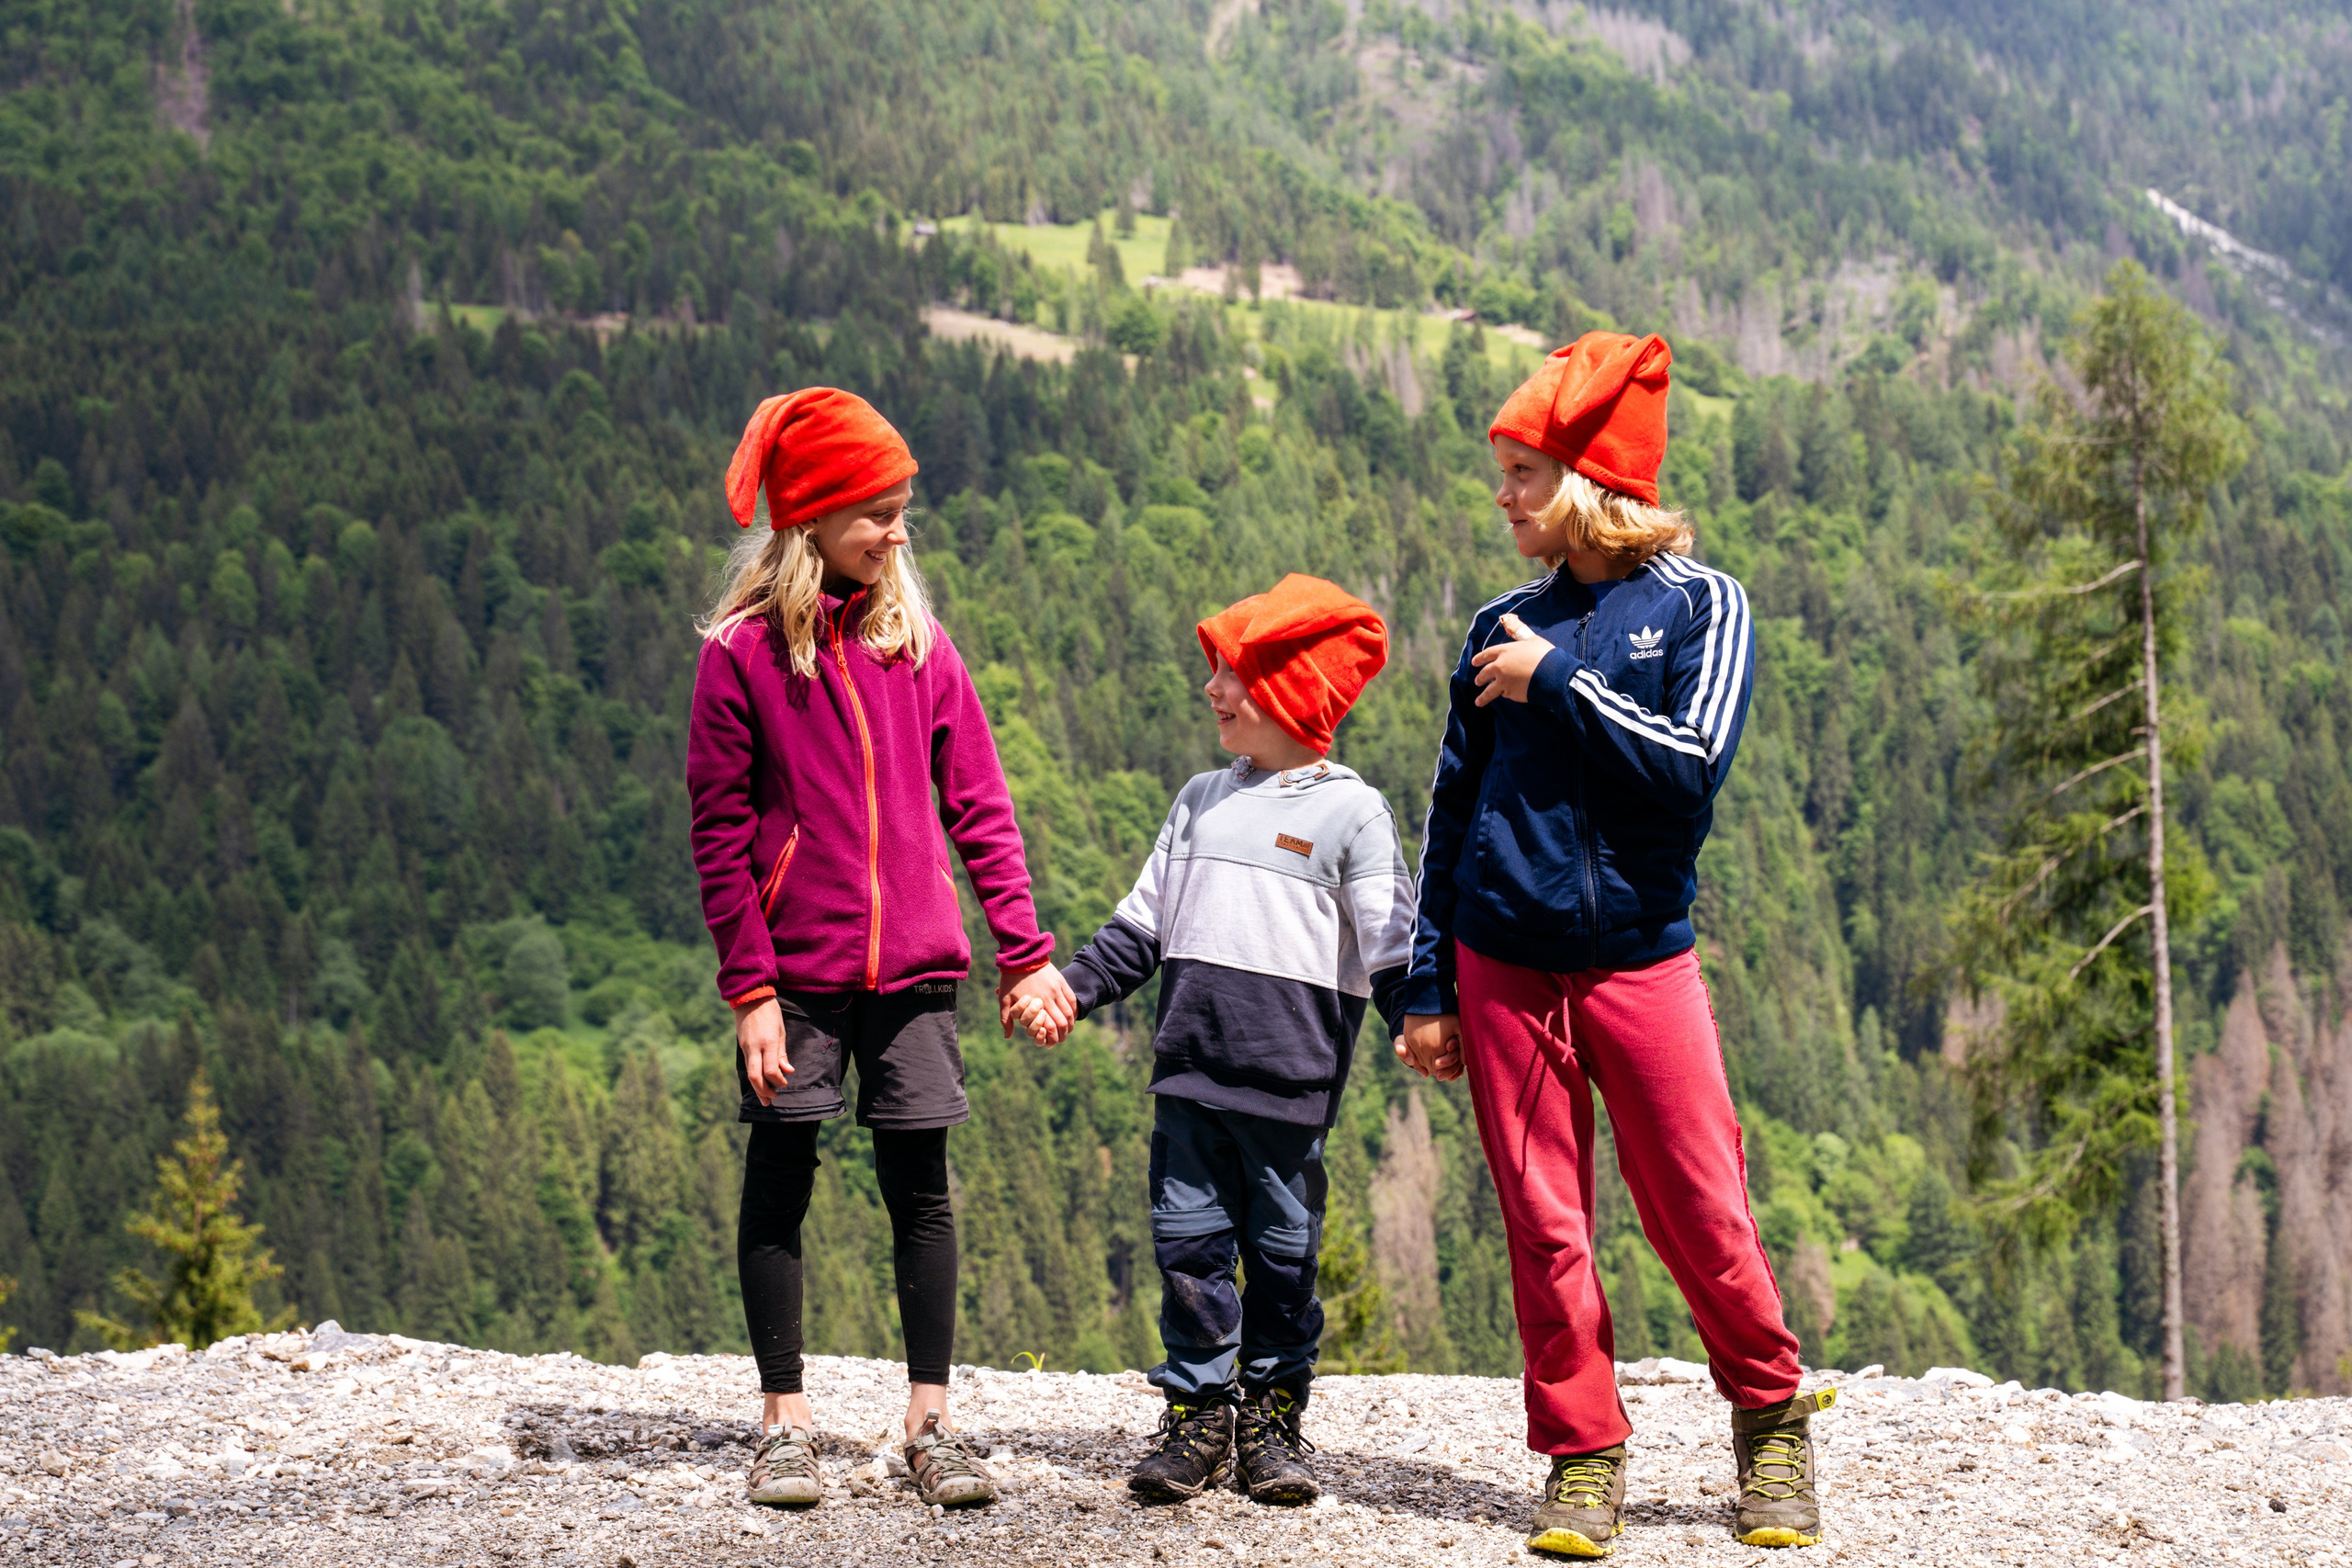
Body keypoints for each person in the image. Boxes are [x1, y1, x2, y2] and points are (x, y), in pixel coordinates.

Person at [1393, 333, 1830, 1556]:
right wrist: (1428, 980)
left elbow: (1692, 767)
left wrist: (1561, 684)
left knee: (1700, 1202)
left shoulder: (1703, 602)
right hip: (1502, 962)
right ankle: (1583, 1454)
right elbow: (1453, 810)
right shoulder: (1501, 621)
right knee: (1545, 1219)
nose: (1504, 495)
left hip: (1643, 958)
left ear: (1585, 477)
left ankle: (1770, 1415)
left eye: (1524, 471)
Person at [686, 386, 1078, 1512]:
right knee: (781, 1173)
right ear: (808, 518)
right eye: (877, 513)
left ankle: (932, 1419)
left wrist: (1023, 952)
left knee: (922, 1189)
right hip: (796, 981)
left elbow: (982, 807)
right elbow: (717, 837)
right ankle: (781, 1421)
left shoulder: (920, 644)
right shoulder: (740, 657)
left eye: (902, 509)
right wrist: (750, 991)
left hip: (915, 970)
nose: (898, 532)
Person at [1014, 574, 1415, 1506]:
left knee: (1283, 1262)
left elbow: (1394, 943)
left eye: (1232, 675)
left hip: (1290, 1094)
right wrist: (1071, 991)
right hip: (1189, 1084)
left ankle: (1272, 1424)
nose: (1212, 691)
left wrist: (1422, 1022)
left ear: (1292, 688)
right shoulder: (1197, 799)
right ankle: (1196, 1418)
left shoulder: (1351, 814)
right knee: (1188, 1251)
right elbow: (1141, 929)